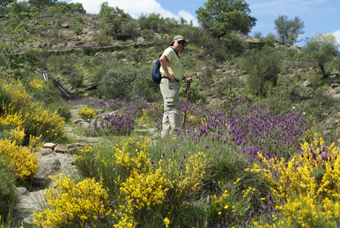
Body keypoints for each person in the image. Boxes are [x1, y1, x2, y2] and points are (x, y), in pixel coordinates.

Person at [159, 35, 193, 138]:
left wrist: (185, 79)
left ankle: (165, 136)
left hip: (171, 83)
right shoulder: (170, 50)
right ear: (173, 42)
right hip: (169, 82)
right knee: (173, 107)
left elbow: (175, 72)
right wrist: (168, 75)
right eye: (179, 42)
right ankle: (176, 135)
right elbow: (162, 59)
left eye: (183, 43)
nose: (181, 45)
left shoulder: (175, 55)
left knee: (168, 109)